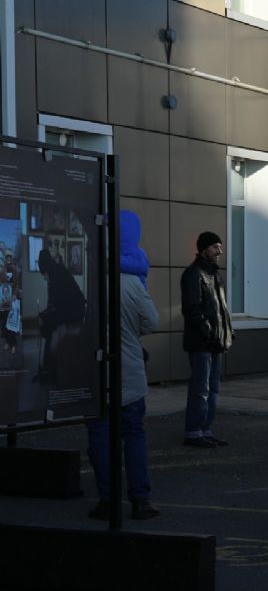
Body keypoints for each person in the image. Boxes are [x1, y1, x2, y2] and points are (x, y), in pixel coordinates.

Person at [86, 210, 161, 520]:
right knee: (134, 434)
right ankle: (140, 499)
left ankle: (107, 498)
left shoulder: (90, 278)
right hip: (129, 370)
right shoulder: (133, 283)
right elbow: (152, 322)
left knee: (100, 437)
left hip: (96, 372)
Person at [181, 230, 234, 448]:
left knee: (213, 389)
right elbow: (192, 310)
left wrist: (227, 332)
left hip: (214, 342)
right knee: (200, 389)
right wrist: (210, 333)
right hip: (201, 343)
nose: (219, 251)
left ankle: (205, 429)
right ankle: (193, 432)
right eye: (215, 247)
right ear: (204, 249)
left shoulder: (214, 274)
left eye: (220, 247)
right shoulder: (194, 274)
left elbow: (221, 309)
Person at [34, 248, 86, 384]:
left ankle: (50, 370)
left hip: (73, 314)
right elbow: (54, 305)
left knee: (50, 329)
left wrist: (45, 317)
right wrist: (44, 315)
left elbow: (60, 306)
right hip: (67, 312)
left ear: (47, 269)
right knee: (48, 326)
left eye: (44, 274)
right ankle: (49, 369)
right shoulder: (55, 275)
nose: (44, 277)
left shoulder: (58, 277)